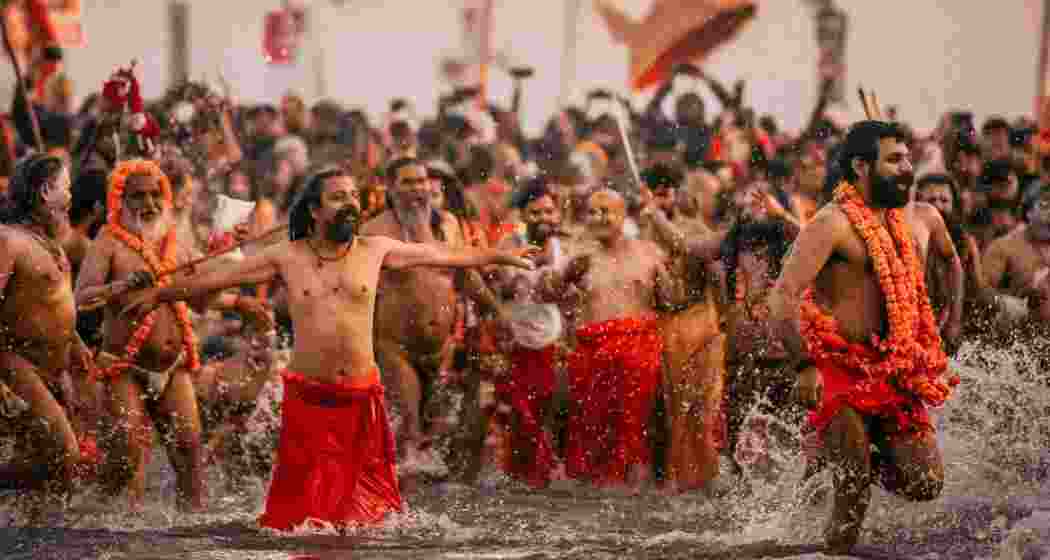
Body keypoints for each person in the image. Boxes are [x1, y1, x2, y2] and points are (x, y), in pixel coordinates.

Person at [121, 167, 536, 529]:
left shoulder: (377, 249)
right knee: (303, 518)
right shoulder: (286, 255)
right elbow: (215, 281)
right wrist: (161, 294)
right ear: (315, 211)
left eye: (354, 195)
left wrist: (500, 255)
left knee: (370, 517)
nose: (350, 203)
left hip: (361, 400)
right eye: (338, 197)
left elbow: (443, 254)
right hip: (311, 400)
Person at [769, 121, 961, 552]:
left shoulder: (918, 218)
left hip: (897, 371)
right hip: (841, 369)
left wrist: (952, 319)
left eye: (908, 157)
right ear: (860, 166)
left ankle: (848, 454)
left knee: (925, 483)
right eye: (894, 160)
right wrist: (803, 365)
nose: (907, 168)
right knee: (853, 493)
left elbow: (954, 260)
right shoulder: (831, 223)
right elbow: (781, 297)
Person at [361, 157, 499, 476]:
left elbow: (466, 274)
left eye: (422, 181)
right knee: (410, 429)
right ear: (391, 190)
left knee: (437, 432)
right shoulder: (375, 231)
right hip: (395, 348)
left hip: (442, 348)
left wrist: (496, 311)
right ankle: (396, 506)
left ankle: (424, 501)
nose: (418, 189)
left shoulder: (449, 224)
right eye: (408, 182)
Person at [543, 188, 679, 491]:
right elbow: (550, 294)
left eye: (606, 211)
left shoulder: (649, 252)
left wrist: (666, 278)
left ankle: (640, 491)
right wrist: (560, 274)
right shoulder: (580, 255)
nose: (599, 218)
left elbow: (671, 302)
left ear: (624, 216)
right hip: (593, 357)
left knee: (637, 435)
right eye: (592, 212)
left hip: (639, 355)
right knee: (591, 432)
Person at [0, 154, 94, 512]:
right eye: (66, 188)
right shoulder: (8, 240)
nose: (71, 196)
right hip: (16, 363)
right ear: (44, 192)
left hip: (53, 366)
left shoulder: (51, 244)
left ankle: (40, 535)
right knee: (66, 455)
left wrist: (75, 343)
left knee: (52, 467)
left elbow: (53, 304)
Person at [636, 164, 727, 493]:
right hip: (657, 327)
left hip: (698, 323)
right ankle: (663, 481)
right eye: (654, 193)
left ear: (676, 194)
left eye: (666, 193)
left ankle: (702, 480)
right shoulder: (637, 232)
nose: (661, 200)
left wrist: (723, 322)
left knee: (699, 408)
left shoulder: (694, 228)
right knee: (659, 410)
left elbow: (694, 256)